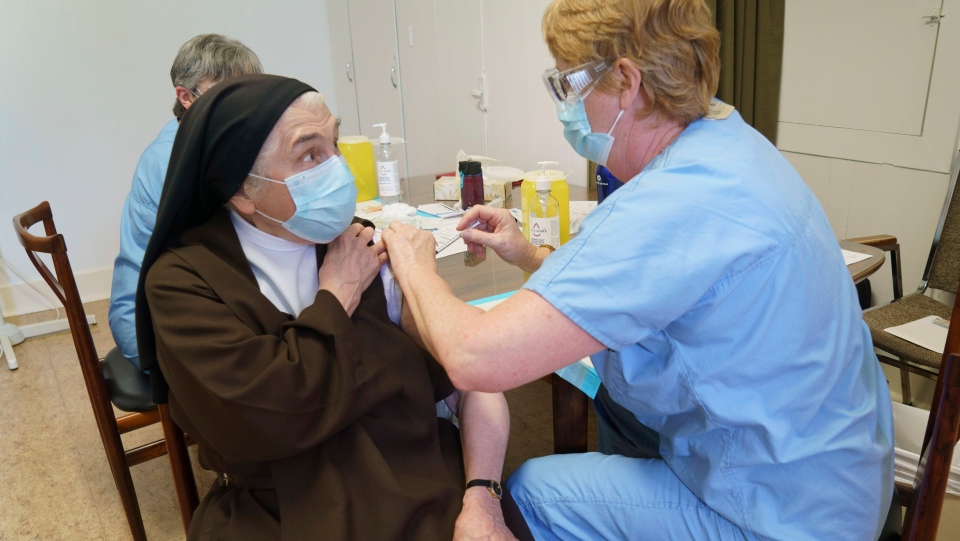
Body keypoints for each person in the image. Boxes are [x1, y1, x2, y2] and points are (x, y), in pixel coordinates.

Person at [380, 1, 894, 540]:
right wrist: (528, 253)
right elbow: (651, 279)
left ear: (625, 80)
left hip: (780, 514)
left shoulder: (668, 203)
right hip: (839, 474)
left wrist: (416, 267)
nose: (569, 108)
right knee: (620, 412)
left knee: (531, 493)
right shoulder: (729, 142)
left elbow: (474, 359)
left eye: (569, 86)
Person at [135, 74, 526, 540]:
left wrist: (483, 497)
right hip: (281, 507)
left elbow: (473, 375)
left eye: (334, 143)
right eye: (310, 154)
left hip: (412, 482)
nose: (339, 170)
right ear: (241, 192)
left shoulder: (363, 243)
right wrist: (336, 296)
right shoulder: (184, 282)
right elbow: (265, 417)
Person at [109, 33, 262, 369]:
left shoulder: (200, 140)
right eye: (229, 93)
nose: (246, 105)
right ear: (186, 96)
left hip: (182, 303)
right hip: (147, 325)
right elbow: (232, 246)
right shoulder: (173, 159)